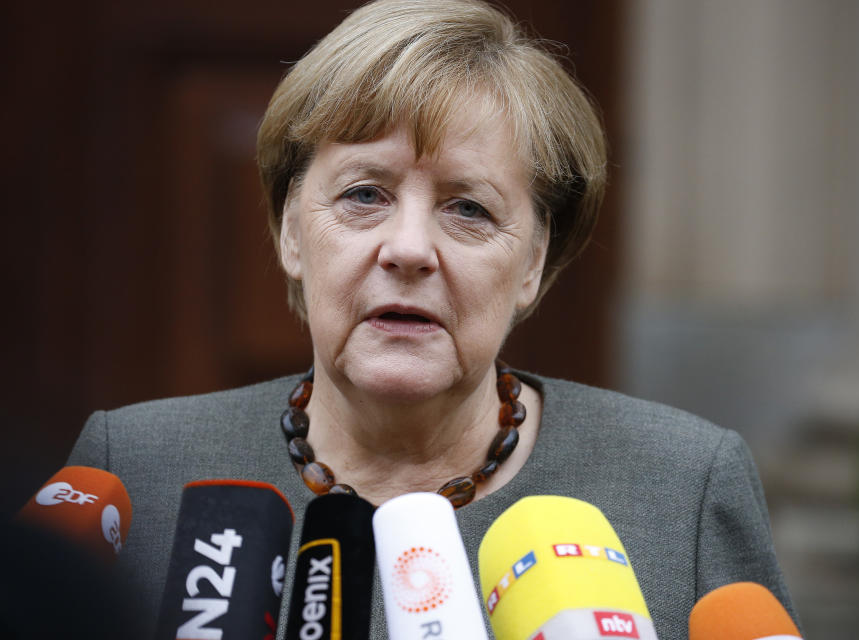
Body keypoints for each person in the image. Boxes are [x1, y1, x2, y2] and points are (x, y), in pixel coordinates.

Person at [68, 0, 798, 637]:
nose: (410, 249)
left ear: (534, 262)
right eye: (364, 195)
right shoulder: (134, 471)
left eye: (468, 208)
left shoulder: (683, 485)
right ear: (292, 231)